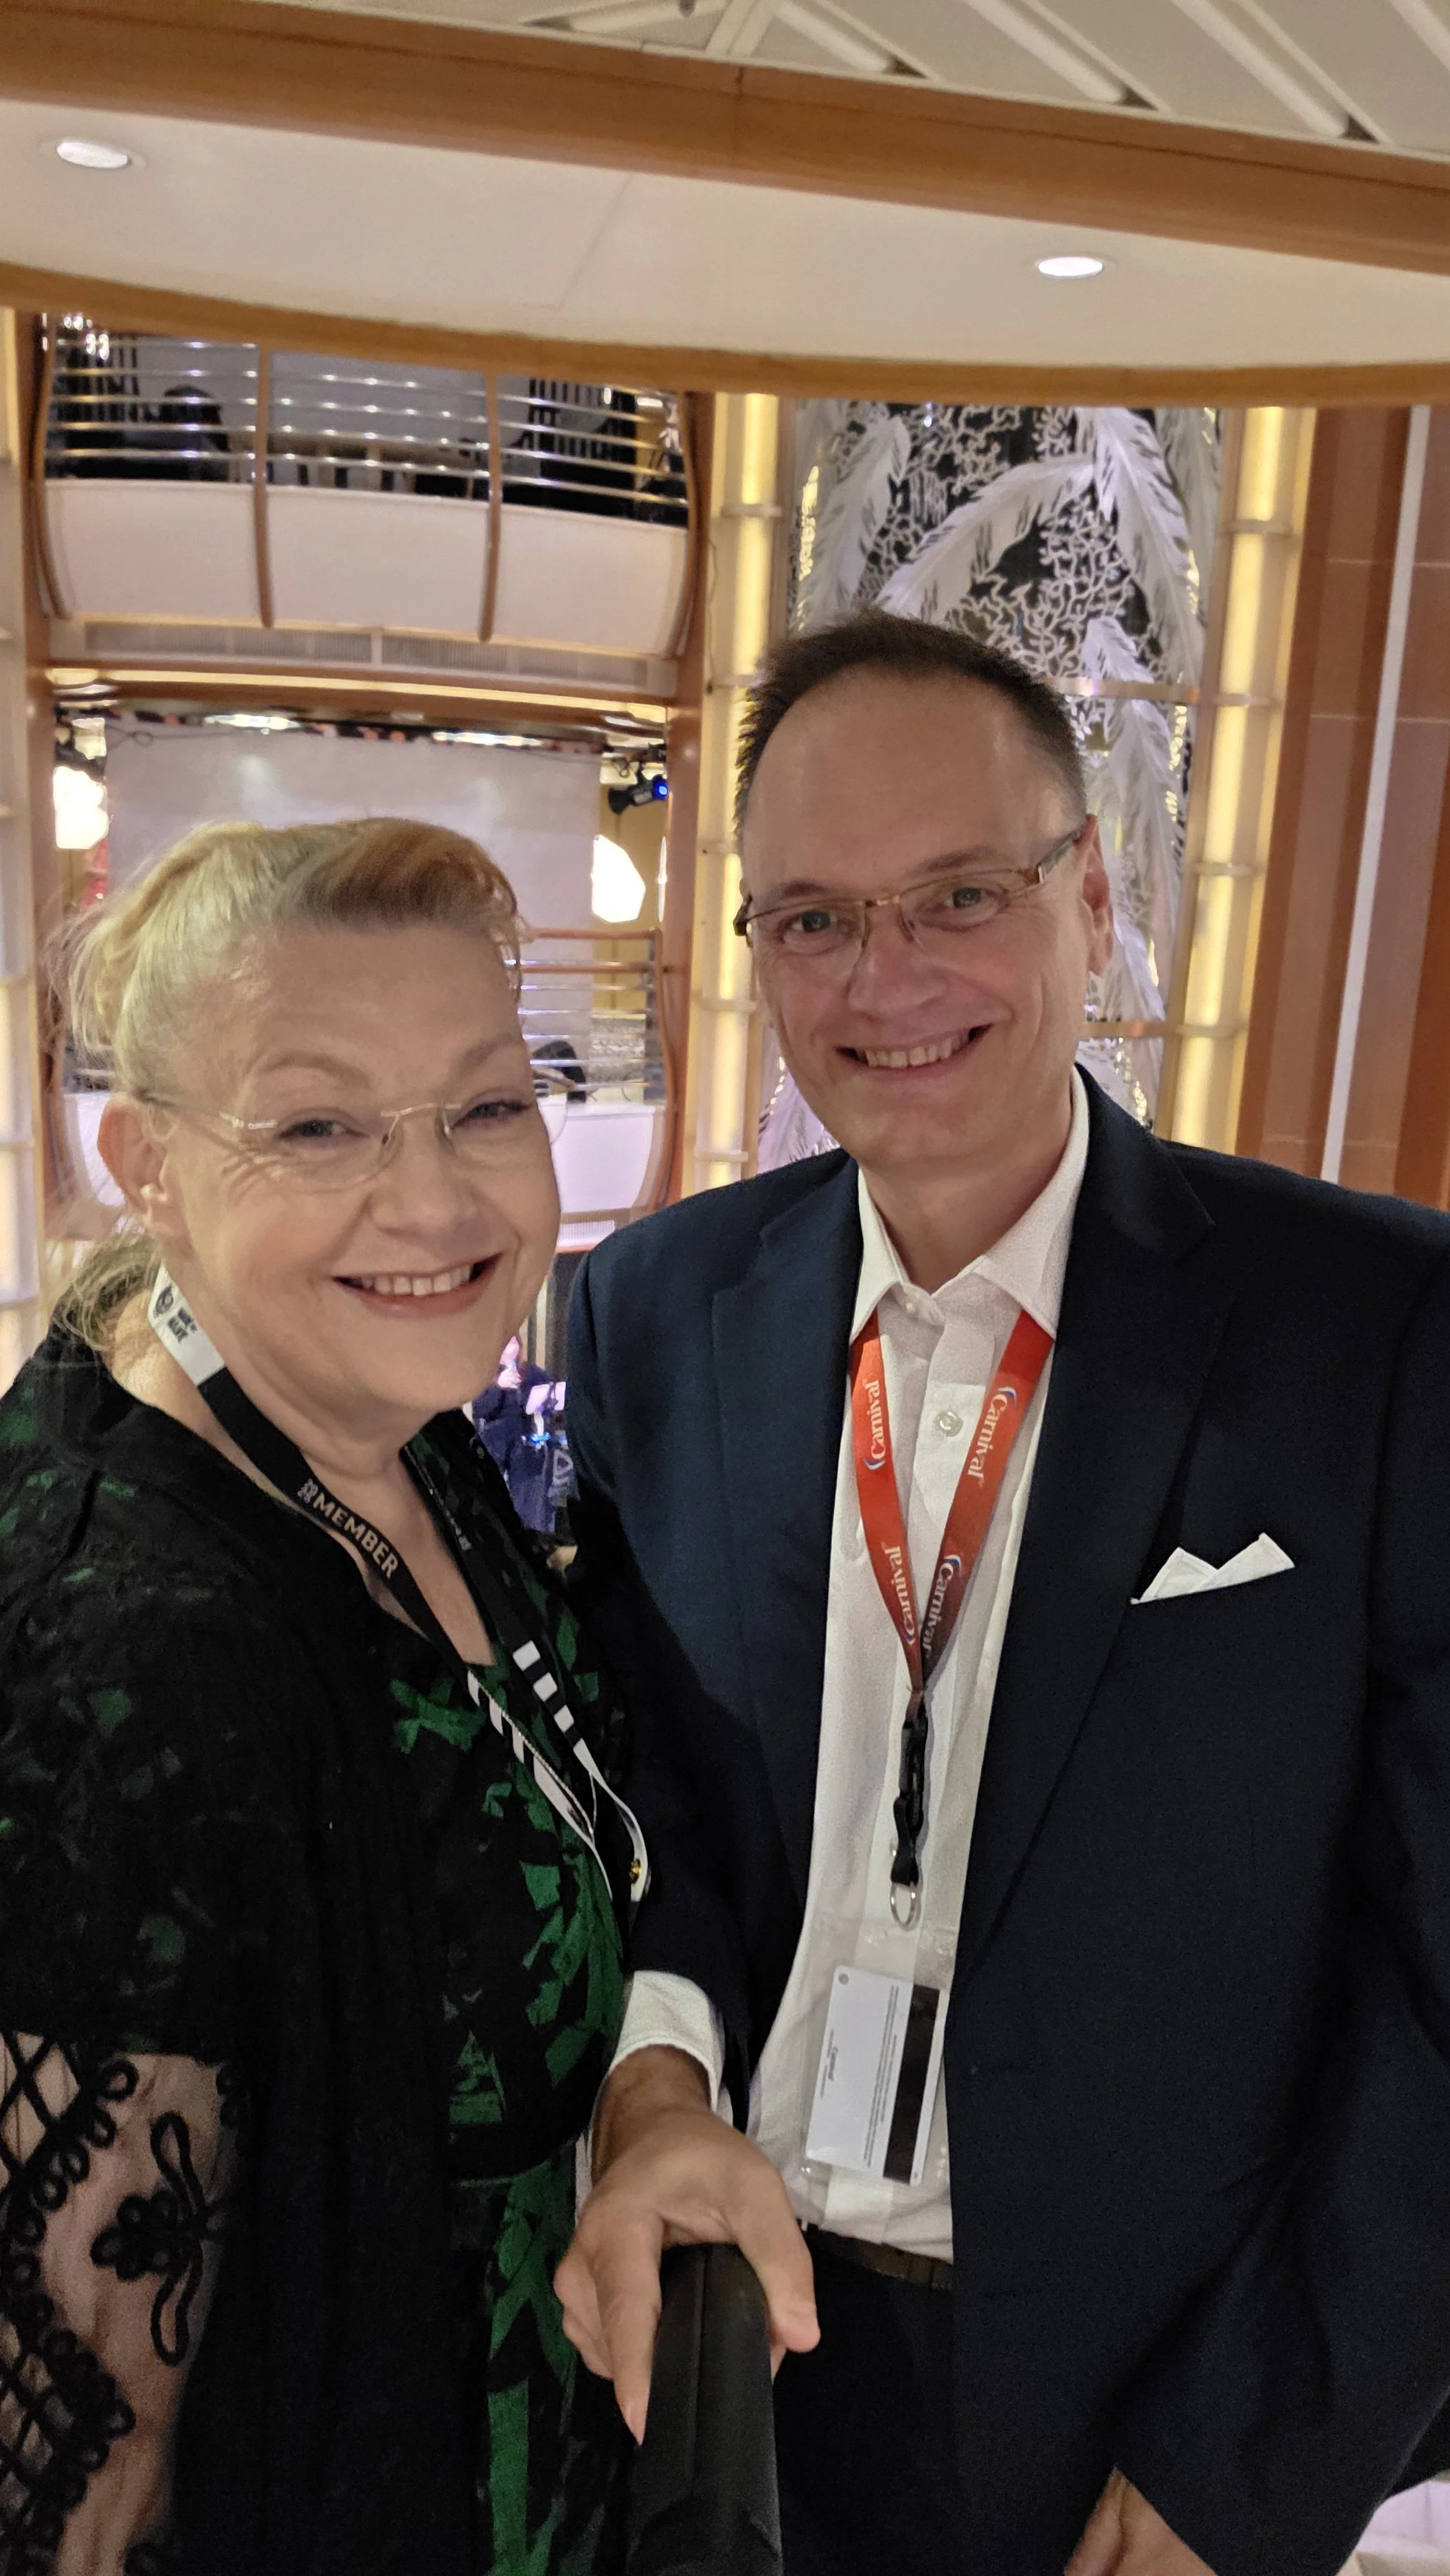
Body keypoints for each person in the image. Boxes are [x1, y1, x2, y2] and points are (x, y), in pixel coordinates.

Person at [555, 614, 1450, 2576]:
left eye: (957, 894)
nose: (883, 983)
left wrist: (1255, 2456)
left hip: (1144, 2393)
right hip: (728, 2322)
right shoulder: (653, 1307)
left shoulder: (1376, 1325)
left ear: (1092, 892)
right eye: (809, 918)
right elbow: (646, 1809)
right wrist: (649, 2085)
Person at [0, 819, 643, 2576]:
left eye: (489, 1105)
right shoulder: (125, 1659)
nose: (434, 1202)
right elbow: (72, 2469)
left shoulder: (403, 1446)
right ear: (141, 1158)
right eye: (315, 1126)